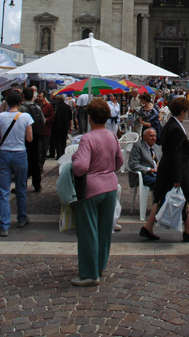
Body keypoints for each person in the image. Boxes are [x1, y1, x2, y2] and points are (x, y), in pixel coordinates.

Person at [71, 98, 123, 286]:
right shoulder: (112, 136)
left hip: (91, 188)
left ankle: (88, 274)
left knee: (88, 232)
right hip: (110, 187)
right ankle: (100, 266)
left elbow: (80, 167)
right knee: (103, 231)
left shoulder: (88, 138)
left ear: (90, 117)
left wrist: (75, 157)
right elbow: (119, 162)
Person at [139, 96, 189, 243]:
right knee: (184, 197)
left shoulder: (172, 124)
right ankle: (188, 231)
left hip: (168, 168)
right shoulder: (175, 127)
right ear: (183, 111)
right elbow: (175, 154)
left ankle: (148, 227)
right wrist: (177, 179)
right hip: (175, 170)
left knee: (162, 197)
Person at [0, 90, 34, 236]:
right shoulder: (25, 117)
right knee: (21, 188)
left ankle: (4, 225)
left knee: (3, 191)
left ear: (7, 102)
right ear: (20, 102)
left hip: (4, 154)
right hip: (20, 154)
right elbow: (30, 138)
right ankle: (21, 218)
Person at [21, 86, 44, 193]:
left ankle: (22, 184)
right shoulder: (37, 107)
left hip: (24, 138)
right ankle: (37, 184)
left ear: (23, 96)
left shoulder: (23, 108)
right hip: (36, 137)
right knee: (35, 160)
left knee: (24, 161)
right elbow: (43, 121)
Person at [36, 91, 55, 171]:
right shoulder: (35, 106)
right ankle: (39, 166)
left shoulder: (48, 107)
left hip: (45, 131)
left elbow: (52, 117)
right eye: (38, 96)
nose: (38, 97)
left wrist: (45, 120)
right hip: (37, 131)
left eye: (39, 96)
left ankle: (41, 164)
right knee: (38, 150)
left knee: (44, 149)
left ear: (44, 98)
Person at [53, 94, 73, 159]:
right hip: (65, 126)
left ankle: (59, 154)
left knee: (58, 140)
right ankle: (63, 153)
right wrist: (71, 126)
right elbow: (70, 118)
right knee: (63, 140)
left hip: (57, 126)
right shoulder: (68, 107)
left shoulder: (56, 107)